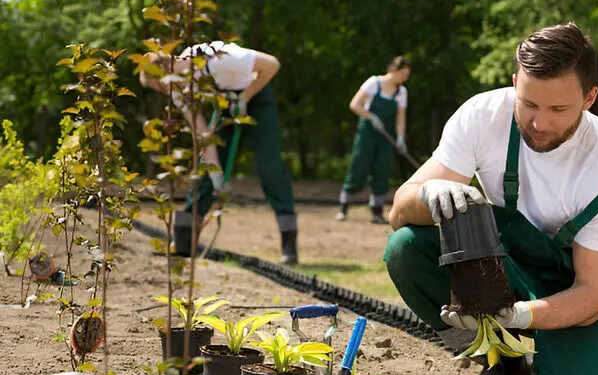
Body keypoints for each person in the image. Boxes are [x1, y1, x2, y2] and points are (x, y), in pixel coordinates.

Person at [383, 22, 598, 375]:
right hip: (513, 264)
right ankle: (501, 368)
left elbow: (592, 296)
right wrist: (429, 195)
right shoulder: (483, 116)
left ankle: (579, 370)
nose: (539, 123)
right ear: (514, 83)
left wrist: (521, 316)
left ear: (589, 97)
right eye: (528, 103)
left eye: (558, 110)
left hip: (589, 288)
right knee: (404, 249)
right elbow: (398, 212)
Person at [139, 41, 299, 263]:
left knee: (269, 166)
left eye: (161, 87)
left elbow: (271, 65)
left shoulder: (219, 58)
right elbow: (203, 135)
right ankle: (183, 240)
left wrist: (245, 97)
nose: (165, 93)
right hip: (225, 103)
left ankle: (289, 243)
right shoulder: (179, 91)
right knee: (207, 170)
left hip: (258, 95)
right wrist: (217, 179)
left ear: (166, 71)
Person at [336, 56, 411, 224]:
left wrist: (400, 137)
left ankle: (377, 212)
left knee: (382, 171)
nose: (405, 78)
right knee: (359, 167)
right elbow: (355, 104)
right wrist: (371, 117)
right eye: (403, 74)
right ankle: (343, 208)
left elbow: (400, 118)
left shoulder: (402, 92)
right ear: (394, 70)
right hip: (367, 135)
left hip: (386, 137)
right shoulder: (373, 83)